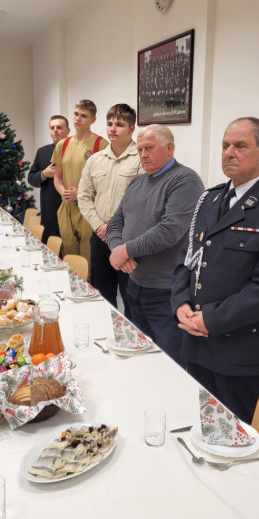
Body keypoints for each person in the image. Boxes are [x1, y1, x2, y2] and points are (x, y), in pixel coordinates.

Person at [171, 116, 259, 423]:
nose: (229, 153)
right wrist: (180, 303)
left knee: (234, 438)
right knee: (198, 427)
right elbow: (186, 259)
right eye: (225, 146)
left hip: (239, 353)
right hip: (195, 343)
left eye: (240, 146)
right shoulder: (209, 198)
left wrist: (212, 319)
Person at [106, 124, 204, 366]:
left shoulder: (185, 180)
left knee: (169, 364)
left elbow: (169, 231)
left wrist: (125, 251)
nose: (143, 154)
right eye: (140, 149)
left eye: (149, 148)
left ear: (169, 148)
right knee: (138, 357)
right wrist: (117, 248)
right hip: (135, 286)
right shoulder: (137, 182)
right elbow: (115, 222)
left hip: (167, 293)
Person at [78, 104, 142, 316]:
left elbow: (141, 202)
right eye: (110, 123)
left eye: (119, 125)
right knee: (101, 294)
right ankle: (104, 330)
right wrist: (99, 226)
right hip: (99, 237)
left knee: (130, 297)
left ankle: (130, 334)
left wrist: (113, 229)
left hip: (127, 239)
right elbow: (84, 196)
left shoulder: (141, 159)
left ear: (131, 129)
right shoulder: (95, 160)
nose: (113, 129)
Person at [51, 100, 108, 263]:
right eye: (76, 114)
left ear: (93, 120)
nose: (78, 118)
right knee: (69, 254)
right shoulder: (63, 144)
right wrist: (63, 191)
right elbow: (57, 177)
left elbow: (106, 182)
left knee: (87, 256)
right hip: (66, 207)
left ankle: (88, 281)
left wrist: (80, 194)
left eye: (83, 116)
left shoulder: (101, 144)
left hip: (89, 209)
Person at [27, 115, 70, 243]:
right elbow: (31, 178)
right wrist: (44, 174)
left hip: (71, 206)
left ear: (67, 131)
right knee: (50, 246)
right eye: (52, 128)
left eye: (59, 127)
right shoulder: (42, 152)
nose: (55, 130)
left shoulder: (76, 151)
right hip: (49, 210)